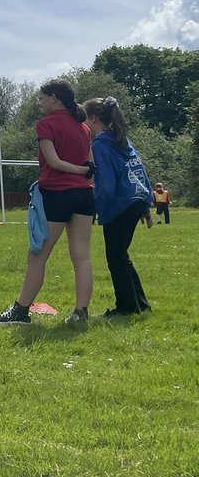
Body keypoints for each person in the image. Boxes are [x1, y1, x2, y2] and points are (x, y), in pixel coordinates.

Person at [0, 79, 94, 326]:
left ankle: (21, 312)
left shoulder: (46, 125)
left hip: (57, 194)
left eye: (40, 98)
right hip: (85, 196)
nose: (38, 103)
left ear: (54, 97)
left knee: (37, 255)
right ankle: (81, 313)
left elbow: (54, 162)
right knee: (82, 257)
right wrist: (83, 172)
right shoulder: (84, 127)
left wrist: (79, 171)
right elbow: (90, 165)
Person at [85, 97, 153, 316]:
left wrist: (96, 207)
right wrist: (145, 205)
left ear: (93, 119)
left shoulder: (100, 144)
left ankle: (126, 308)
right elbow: (139, 170)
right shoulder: (121, 139)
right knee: (121, 256)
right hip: (135, 200)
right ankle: (140, 304)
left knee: (115, 258)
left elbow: (107, 183)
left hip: (119, 205)